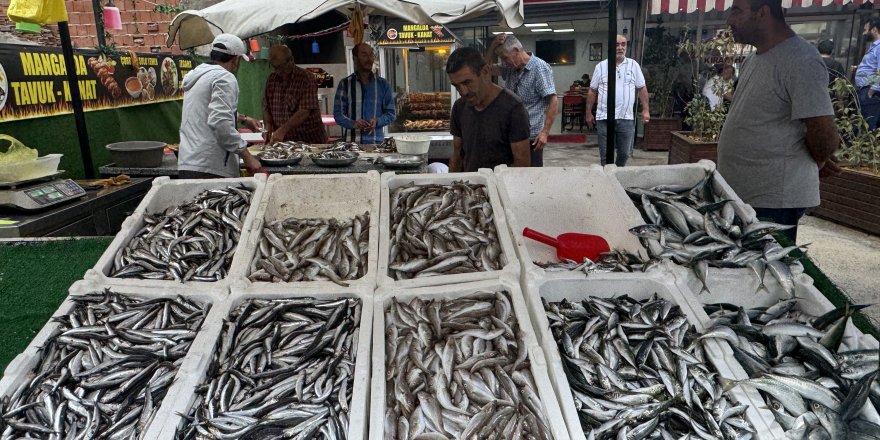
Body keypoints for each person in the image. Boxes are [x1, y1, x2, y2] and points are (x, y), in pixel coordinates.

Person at [719, 0, 840, 242]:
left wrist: (818, 158)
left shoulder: (801, 59)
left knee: (766, 273)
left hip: (773, 201)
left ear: (762, 13)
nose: (730, 21)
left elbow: (823, 131)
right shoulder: (755, 58)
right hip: (745, 195)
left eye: (737, 11)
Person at [178, 34, 261, 179]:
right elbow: (220, 121)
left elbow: (207, 110)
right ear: (236, 60)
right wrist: (247, 157)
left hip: (188, 163)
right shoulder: (225, 78)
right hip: (212, 166)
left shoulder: (199, 75)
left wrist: (243, 119)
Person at [446, 47, 531, 172]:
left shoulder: (513, 109)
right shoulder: (459, 108)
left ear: (485, 71)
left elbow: (522, 165)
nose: (462, 92)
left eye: (467, 82)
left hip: (501, 187)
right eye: (456, 86)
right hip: (471, 188)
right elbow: (457, 155)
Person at [485, 34, 557, 167]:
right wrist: (492, 46)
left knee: (530, 178)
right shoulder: (510, 67)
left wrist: (545, 132)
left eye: (505, 57)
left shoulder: (539, 68)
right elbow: (486, 69)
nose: (504, 62)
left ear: (517, 51)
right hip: (508, 135)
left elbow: (553, 99)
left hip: (530, 137)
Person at [585, 35, 650, 167]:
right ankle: (607, 182)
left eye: (623, 44)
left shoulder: (633, 65)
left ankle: (616, 174)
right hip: (604, 118)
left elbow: (642, 88)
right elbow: (592, 91)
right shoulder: (601, 67)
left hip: (626, 118)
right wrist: (588, 113)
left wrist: (646, 110)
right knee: (605, 157)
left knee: (625, 153)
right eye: (616, 45)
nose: (620, 47)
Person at [262, 44, 327, 145]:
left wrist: (282, 130)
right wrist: (268, 127)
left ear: (291, 60)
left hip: (310, 141)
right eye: (275, 67)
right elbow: (266, 107)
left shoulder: (306, 78)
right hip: (284, 142)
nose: (278, 71)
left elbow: (304, 111)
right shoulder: (271, 79)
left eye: (281, 67)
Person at [333, 43, 396, 144]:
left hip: (377, 144)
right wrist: (354, 124)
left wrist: (377, 121)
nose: (369, 59)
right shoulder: (345, 84)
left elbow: (391, 114)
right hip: (352, 145)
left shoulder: (383, 84)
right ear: (355, 59)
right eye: (364, 55)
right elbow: (338, 114)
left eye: (371, 55)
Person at [855, 18, 880, 130]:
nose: (864, 33)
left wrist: (871, 92)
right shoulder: (874, 46)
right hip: (865, 89)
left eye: (866, 30)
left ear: (874, 29)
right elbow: (872, 66)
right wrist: (859, 68)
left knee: (867, 126)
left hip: (869, 91)